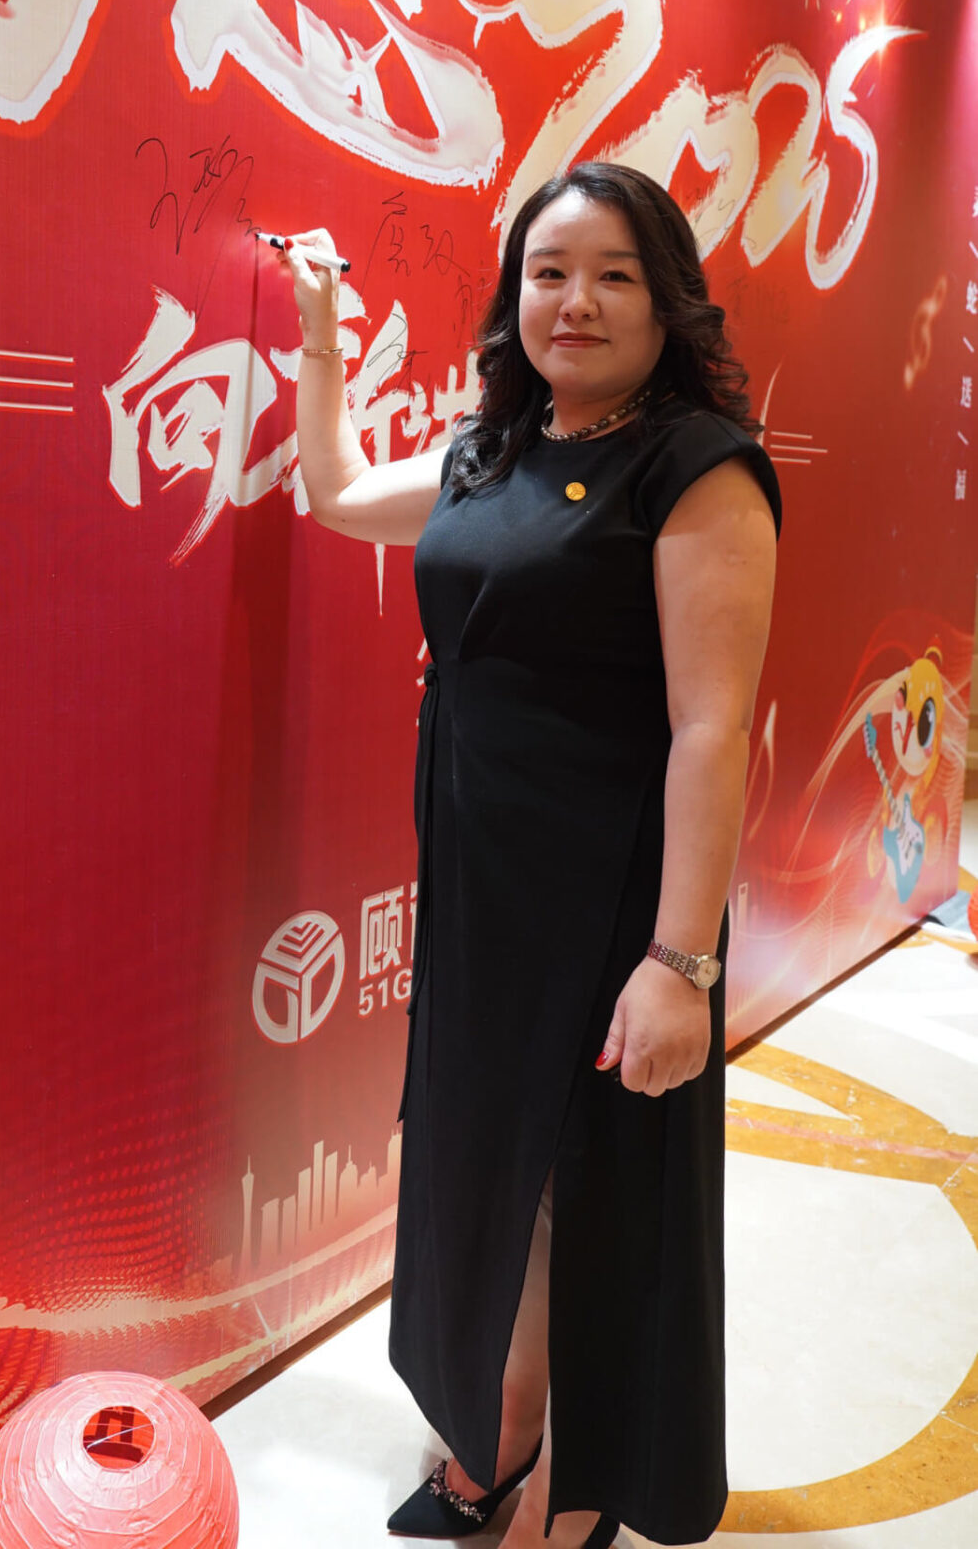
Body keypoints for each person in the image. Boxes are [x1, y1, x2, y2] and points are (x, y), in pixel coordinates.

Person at [274, 162, 780, 1549]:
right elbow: (334, 491)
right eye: (550, 272)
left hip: (613, 901)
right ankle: (498, 1432)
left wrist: (681, 963)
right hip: (485, 888)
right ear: (516, 295)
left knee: (592, 1197)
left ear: (668, 303)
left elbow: (712, 728)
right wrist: (321, 332)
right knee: (491, 1172)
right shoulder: (486, 453)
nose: (577, 301)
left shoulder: (695, 469)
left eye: (616, 274)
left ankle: (580, 1491)